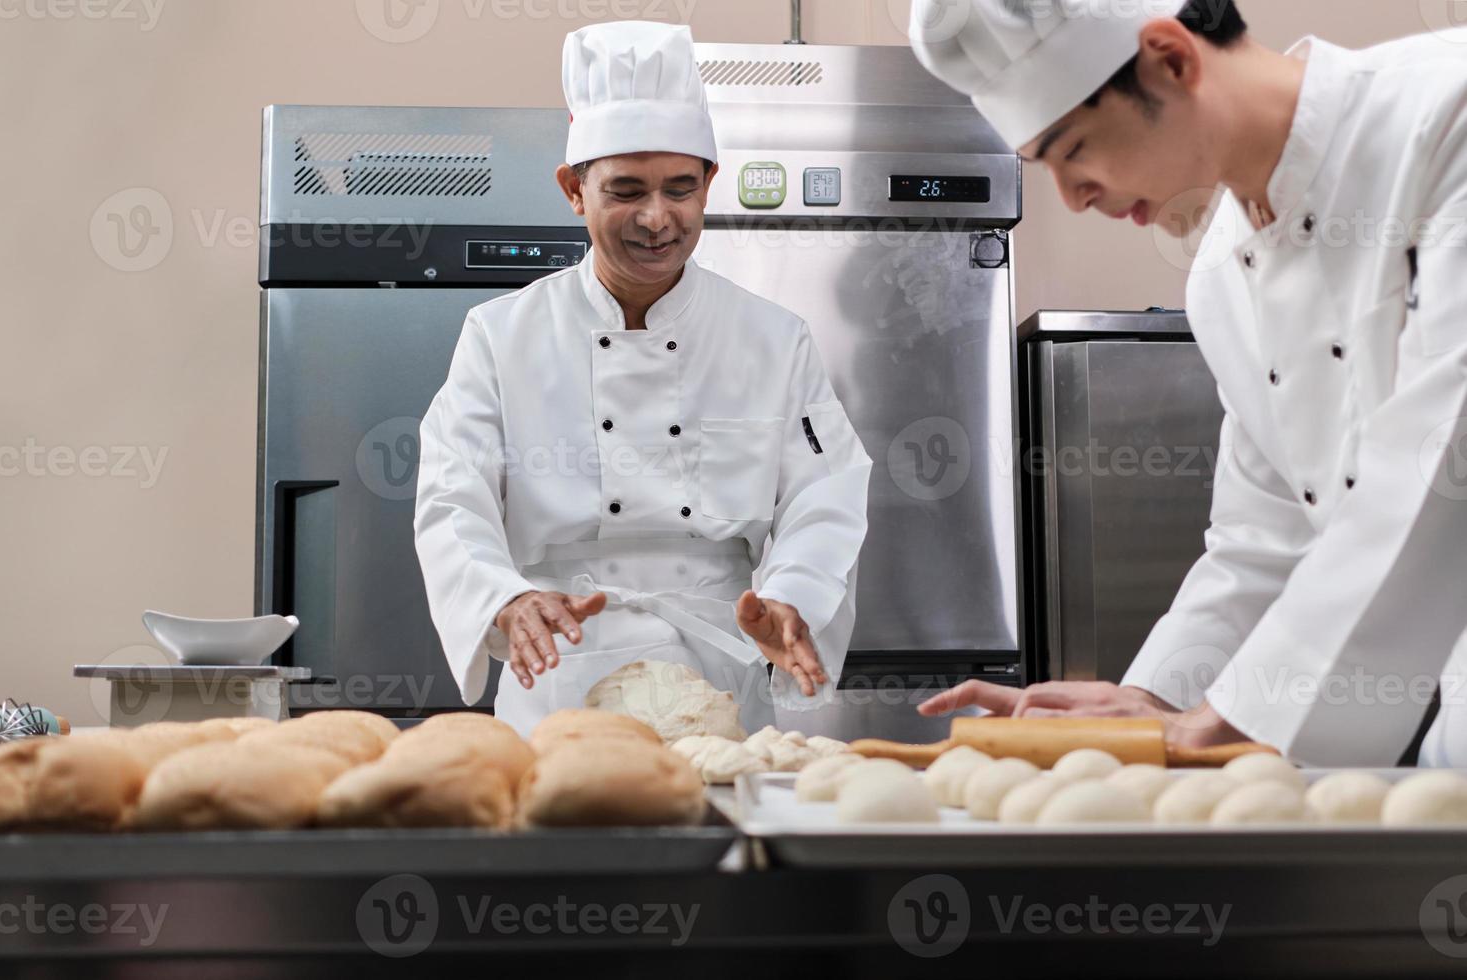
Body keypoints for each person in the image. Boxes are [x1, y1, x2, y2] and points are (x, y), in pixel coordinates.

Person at [909, 0, 1467, 766]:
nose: (1074, 198)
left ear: (1170, 58)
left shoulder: (1447, 114)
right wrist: (1153, 704)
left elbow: (1440, 470)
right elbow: (1260, 542)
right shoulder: (1221, 277)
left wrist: (1222, 722)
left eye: (1072, 151)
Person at [413, 20, 872, 737]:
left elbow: (827, 489)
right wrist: (500, 598)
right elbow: (451, 496)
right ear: (574, 190)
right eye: (626, 191)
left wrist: (794, 594)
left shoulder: (774, 339)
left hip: (718, 681)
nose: (658, 219)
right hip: (560, 678)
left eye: (681, 189)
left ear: (708, 184)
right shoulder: (500, 336)